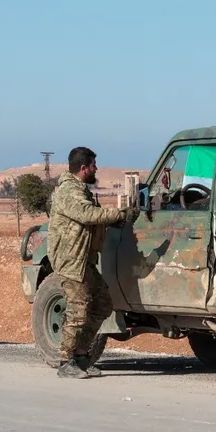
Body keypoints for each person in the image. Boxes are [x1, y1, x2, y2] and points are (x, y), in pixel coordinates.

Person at [47, 147, 137, 379]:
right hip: (71, 261)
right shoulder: (69, 191)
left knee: (103, 305)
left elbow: (90, 220)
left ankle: (81, 356)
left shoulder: (81, 190)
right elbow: (87, 215)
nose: (96, 169)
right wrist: (120, 214)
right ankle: (66, 362)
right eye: (93, 165)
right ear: (83, 168)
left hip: (84, 261)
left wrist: (114, 222)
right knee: (78, 311)